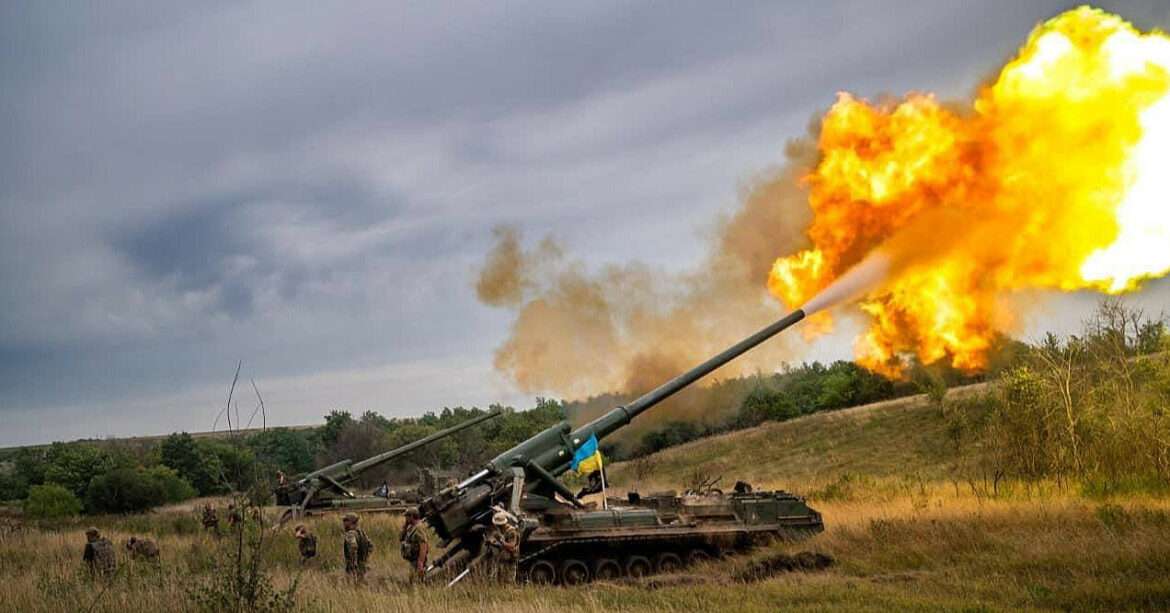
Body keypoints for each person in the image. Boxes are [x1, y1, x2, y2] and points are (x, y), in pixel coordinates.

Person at [478, 510, 520, 583]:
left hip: (510, 559)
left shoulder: (511, 532)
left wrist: (500, 542)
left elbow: (511, 546)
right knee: (499, 580)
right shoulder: (501, 531)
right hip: (503, 559)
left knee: (509, 581)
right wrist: (492, 542)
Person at [398, 507, 429, 582]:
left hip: (417, 559)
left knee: (417, 580)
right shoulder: (411, 528)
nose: (406, 518)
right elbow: (401, 538)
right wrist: (405, 526)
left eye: (407, 516)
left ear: (412, 516)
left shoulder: (419, 528)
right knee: (412, 579)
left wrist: (420, 562)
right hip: (413, 559)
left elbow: (423, 545)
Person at [341, 513, 373, 581]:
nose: (343, 523)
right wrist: (365, 558)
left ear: (351, 522)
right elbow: (370, 545)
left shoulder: (350, 534)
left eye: (346, 520)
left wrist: (353, 563)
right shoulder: (361, 532)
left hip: (354, 568)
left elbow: (353, 547)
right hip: (363, 565)